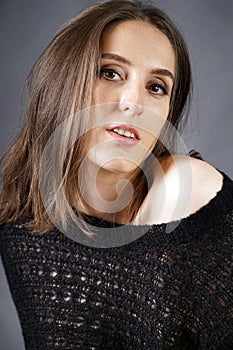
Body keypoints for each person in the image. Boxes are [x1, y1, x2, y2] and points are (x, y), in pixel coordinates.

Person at [0, 0, 232, 349]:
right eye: (110, 72)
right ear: (64, 81)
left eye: (156, 87)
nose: (133, 101)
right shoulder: (21, 222)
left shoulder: (189, 193)